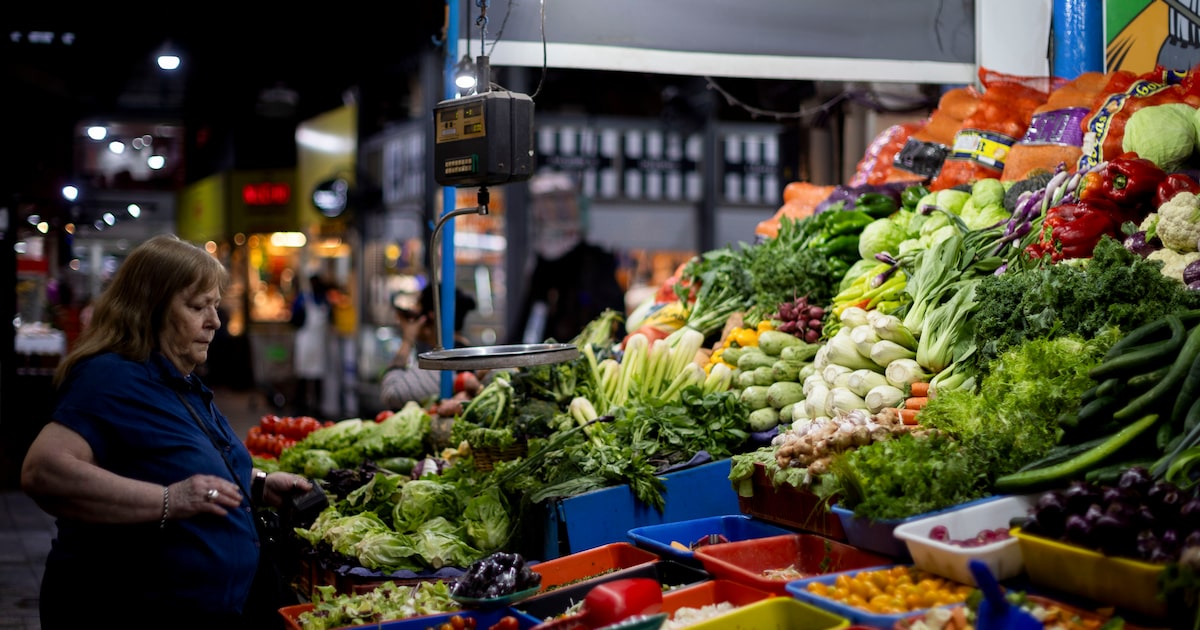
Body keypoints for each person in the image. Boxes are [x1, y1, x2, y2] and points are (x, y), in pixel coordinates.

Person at [20, 234, 315, 630]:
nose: (214, 321)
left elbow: (164, 460)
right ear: (149, 309)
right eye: (198, 307)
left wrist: (257, 485)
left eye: (214, 305)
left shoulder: (179, 381)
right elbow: (44, 471)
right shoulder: (109, 377)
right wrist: (169, 499)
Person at [380, 284, 476, 408]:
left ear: (428, 317)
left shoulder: (440, 365)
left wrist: (407, 340)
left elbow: (392, 394)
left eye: (417, 311)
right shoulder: (465, 353)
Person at [289, 274, 330, 418]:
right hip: (305, 343)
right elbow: (294, 319)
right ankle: (300, 407)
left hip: (319, 344)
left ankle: (317, 407)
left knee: (318, 378)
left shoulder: (325, 300)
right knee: (302, 376)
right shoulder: (303, 299)